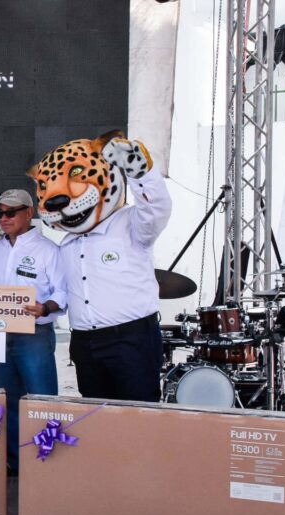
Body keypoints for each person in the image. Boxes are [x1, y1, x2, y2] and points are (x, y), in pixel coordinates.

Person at [30, 133, 171, 401]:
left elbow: (157, 209)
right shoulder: (66, 244)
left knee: (139, 417)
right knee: (97, 421)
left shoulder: (130, 224)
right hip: (84, 343)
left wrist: (141, 173)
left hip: (131, 339)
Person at [0, 189, 66, 473]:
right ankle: (16, 464)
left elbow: (63, 292)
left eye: (11, 212)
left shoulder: (48, 250)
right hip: (0, 335)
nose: (4, 218)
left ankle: (47, 465)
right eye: (0, 214)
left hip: (35, 335)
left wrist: (45, 307)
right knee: (7, 402)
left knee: (43, 401)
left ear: (28, 213)